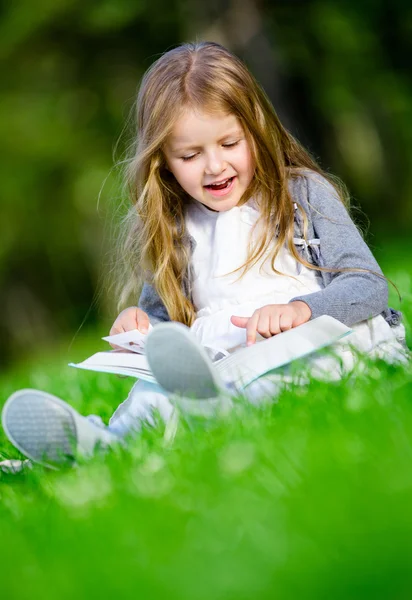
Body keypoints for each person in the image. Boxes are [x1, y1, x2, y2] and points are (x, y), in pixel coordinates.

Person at [1, 41, 408, 471]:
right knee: (155, 395)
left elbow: (367, 285)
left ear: (257, 130)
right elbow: (165, 326)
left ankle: (213, 409)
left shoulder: (300, 194)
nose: (214, 166)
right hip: (218, 365)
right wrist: (140, 327)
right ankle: (101, 442)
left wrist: (302, 310)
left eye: (230, 143)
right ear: (163, 162)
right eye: (191, 155)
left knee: (293, 372)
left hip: (310, 342)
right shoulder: (175, 228)